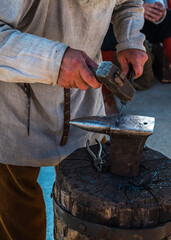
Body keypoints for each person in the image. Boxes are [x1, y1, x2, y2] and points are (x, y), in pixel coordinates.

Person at [0, 1, 148, 239]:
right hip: (16, 109)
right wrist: (53, 60)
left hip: (84, 101)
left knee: (90, 203)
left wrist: (129, 39)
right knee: (19, 214)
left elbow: (128, 3)